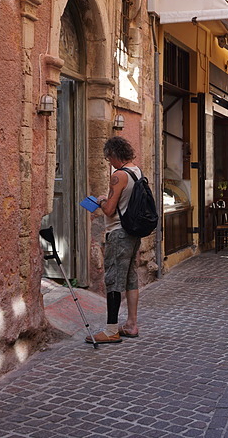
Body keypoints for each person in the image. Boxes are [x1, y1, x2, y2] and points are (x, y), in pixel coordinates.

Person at [88, 136, 142, 343]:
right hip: (132, 232)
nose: (109, 162)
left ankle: (111, 331)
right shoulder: (136, 171)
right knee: (130, 279)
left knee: (113, 280)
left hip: (118, 232)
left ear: (113, 154)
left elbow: (110, 210)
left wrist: (101, 200)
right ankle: (132, 324)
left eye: (108, 158)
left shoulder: (118, 175)